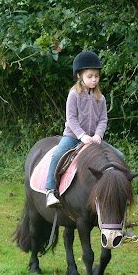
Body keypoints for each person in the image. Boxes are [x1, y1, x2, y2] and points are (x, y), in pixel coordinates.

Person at [45, 50, 107, 207]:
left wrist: (98, 135)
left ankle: (114, 193)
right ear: (80, 76)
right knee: (58, 154)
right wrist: (82, 136)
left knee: (119, 155)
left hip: (94, 139)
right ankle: (50, 190)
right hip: (73, 136)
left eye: (96, 76)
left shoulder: (101, 98)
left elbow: (103, 119)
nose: (94, 80)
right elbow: (71, 119)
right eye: (90, 76)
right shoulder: (74, 95)